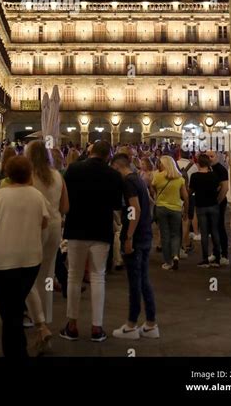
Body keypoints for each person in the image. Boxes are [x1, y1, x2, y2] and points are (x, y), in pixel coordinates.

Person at [0, 156, 49, 358]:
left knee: (8, 311)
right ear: (29, 173)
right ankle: (20, 349)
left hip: (3, 261)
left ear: (8, 173)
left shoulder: (0, 196)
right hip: (30, 260)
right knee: (15, 306)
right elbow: (44, 223)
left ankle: (15, 352)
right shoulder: (36, 195)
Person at [60, 139, 123, 343]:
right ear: (108, 155)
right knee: (98, 277)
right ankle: (97, 328)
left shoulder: (73, 170)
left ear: (91, 151)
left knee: (73, 276)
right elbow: (116, 204)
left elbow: (65, 199)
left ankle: (72, 326)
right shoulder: (113, 175)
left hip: (76, 228)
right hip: (100, 230)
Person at [25, 140, 69, 353]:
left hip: (34, 226)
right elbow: (66, 206)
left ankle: (38, 321)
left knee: (28, 274)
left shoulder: (28, 177)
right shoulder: (58, 176)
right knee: (47, 274)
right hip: (54, 226)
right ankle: (46, 319)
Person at [111, 153, 159, 340]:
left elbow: (134, 209)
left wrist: (129, 236)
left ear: (116, 167)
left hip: (136, 238)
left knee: (135, 282)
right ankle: (150, 324)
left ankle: (131, 325)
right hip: (145, 235)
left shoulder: (128, 182)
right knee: (144, 280)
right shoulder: (138, 179)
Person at [151, 155, 188, 270]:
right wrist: (186, 211)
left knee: (165, 235)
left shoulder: (157, 177)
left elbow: (153, 189)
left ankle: (168, 261)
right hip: (176, 208)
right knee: (176, 234)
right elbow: (186, 197)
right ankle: (176, 256)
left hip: (161, 208)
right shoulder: (180, 178)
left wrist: (157, 196)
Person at [189, 153, 222, 268]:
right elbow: (219, 187)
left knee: (204, 232)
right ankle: (217, 258)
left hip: (201, 206)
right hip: (213, 205)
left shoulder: (194, 176)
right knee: (215, 231)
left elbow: (190, 190)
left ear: (199, 163)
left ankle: (205, 259)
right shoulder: (214, 175)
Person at [206, 149, 230, 265]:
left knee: (220, 227)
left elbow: (225, 188)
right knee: (212, 228)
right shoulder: (206, 169)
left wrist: (218, 202)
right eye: (207, 156)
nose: (210, 158)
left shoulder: (221, 169)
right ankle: (215, 253)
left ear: (216, 157)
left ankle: (224, 254)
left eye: (212, 156)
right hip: (209, 202)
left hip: (219, 203)